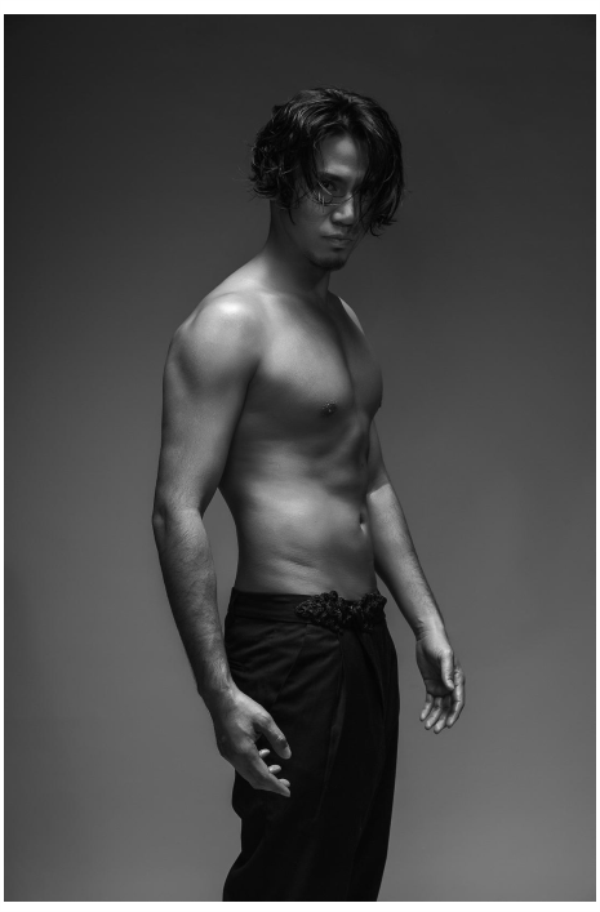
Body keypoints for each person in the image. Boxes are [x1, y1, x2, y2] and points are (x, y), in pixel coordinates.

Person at [151, 85, 465, 901]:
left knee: (350, 879)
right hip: (290, 645)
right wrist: (218, 692)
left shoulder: (342, 319)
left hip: (365, 642)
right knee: (287, 881)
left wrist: (426, 622)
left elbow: (371, 478)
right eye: (327, 187)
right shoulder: (230, 323)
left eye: (361, 191)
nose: (348, 213)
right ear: (282, 178)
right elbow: (176, 509)